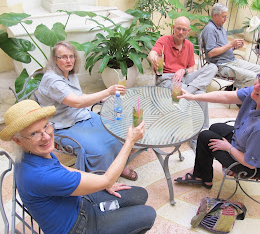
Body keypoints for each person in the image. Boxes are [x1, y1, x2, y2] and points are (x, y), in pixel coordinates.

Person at [0, 100, 156, 234]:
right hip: (78, 227)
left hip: (77, 202)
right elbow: (108, 179)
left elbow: (63, 168)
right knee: (148, 214)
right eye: (34, 134)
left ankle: (108, 213)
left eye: (46, 126)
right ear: (18, 141)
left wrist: (100, 182)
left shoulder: (34, 154)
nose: (46, 136)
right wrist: (130, 141)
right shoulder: (41, 175)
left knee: (139, 194)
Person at [174, 68, 260, 189]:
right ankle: (203, 173)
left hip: (251, 166)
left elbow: (251, 164)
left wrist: (229, 148)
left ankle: (202, 178)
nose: (256, 86)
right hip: (247, 143)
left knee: (205, 137)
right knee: (215, 128)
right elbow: (226, 96)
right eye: (259, 79)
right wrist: (192, 97)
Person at [37, 41, 137, 180]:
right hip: (63, 126)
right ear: (55, 60)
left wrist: (103, 99)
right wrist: (107, 91)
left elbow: (79, 96)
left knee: (118, 133)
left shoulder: (68, 73)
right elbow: (77, 102)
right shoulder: (53, 81)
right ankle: (102, 180)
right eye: (63, 57)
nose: (69, 60)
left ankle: (118, 167)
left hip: (82, 115)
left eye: (71, 56)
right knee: (99, 150)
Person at [148, 16, 218, 150]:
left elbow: (191, 68)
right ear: (173, 28)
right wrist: (153, 57)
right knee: (201, 94)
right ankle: (199, 135)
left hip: (184, 78)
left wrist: (183, 70)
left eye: (184, 30)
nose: (180, 32)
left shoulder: (189, 45)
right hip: (167, 80)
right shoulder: (164, 41)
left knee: (212, 67)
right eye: (178, 28)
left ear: (188, 31)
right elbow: (153, 52)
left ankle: (189, 94)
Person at [201, 3, 260, 89]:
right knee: (252, 77)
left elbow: (222, 48)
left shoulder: (221, 27)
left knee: (259, 70)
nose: (225, 19)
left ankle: (232, 88)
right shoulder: (210, 30)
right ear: (215, 16)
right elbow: (211, 53)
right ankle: (238, 95)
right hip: (221, 65)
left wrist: (234, 47)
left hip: (232, 60)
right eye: (223, 17)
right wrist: (230, 45)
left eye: (226, 17)